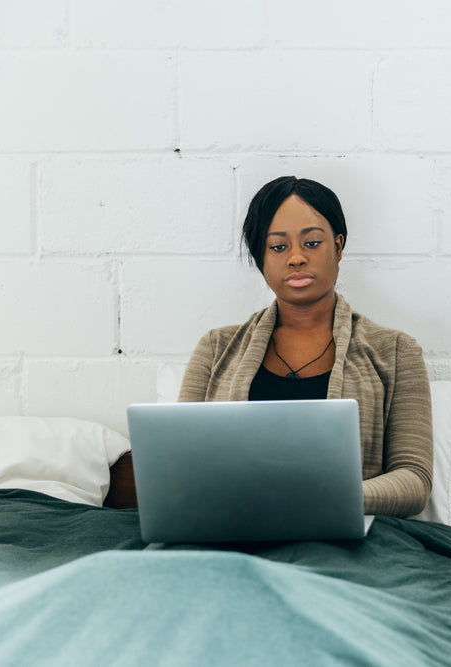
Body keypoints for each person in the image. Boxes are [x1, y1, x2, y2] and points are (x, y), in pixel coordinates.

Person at [178, 176, 432, 517]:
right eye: (278, 247)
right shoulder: (215, 349)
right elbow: (181, 466)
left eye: (312, 243)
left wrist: (321, 498)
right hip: (234, 530)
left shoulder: (396, 352)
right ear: (260, 257)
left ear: (338, 247)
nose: (296, 258)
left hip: (346, 535)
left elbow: (414, 480)